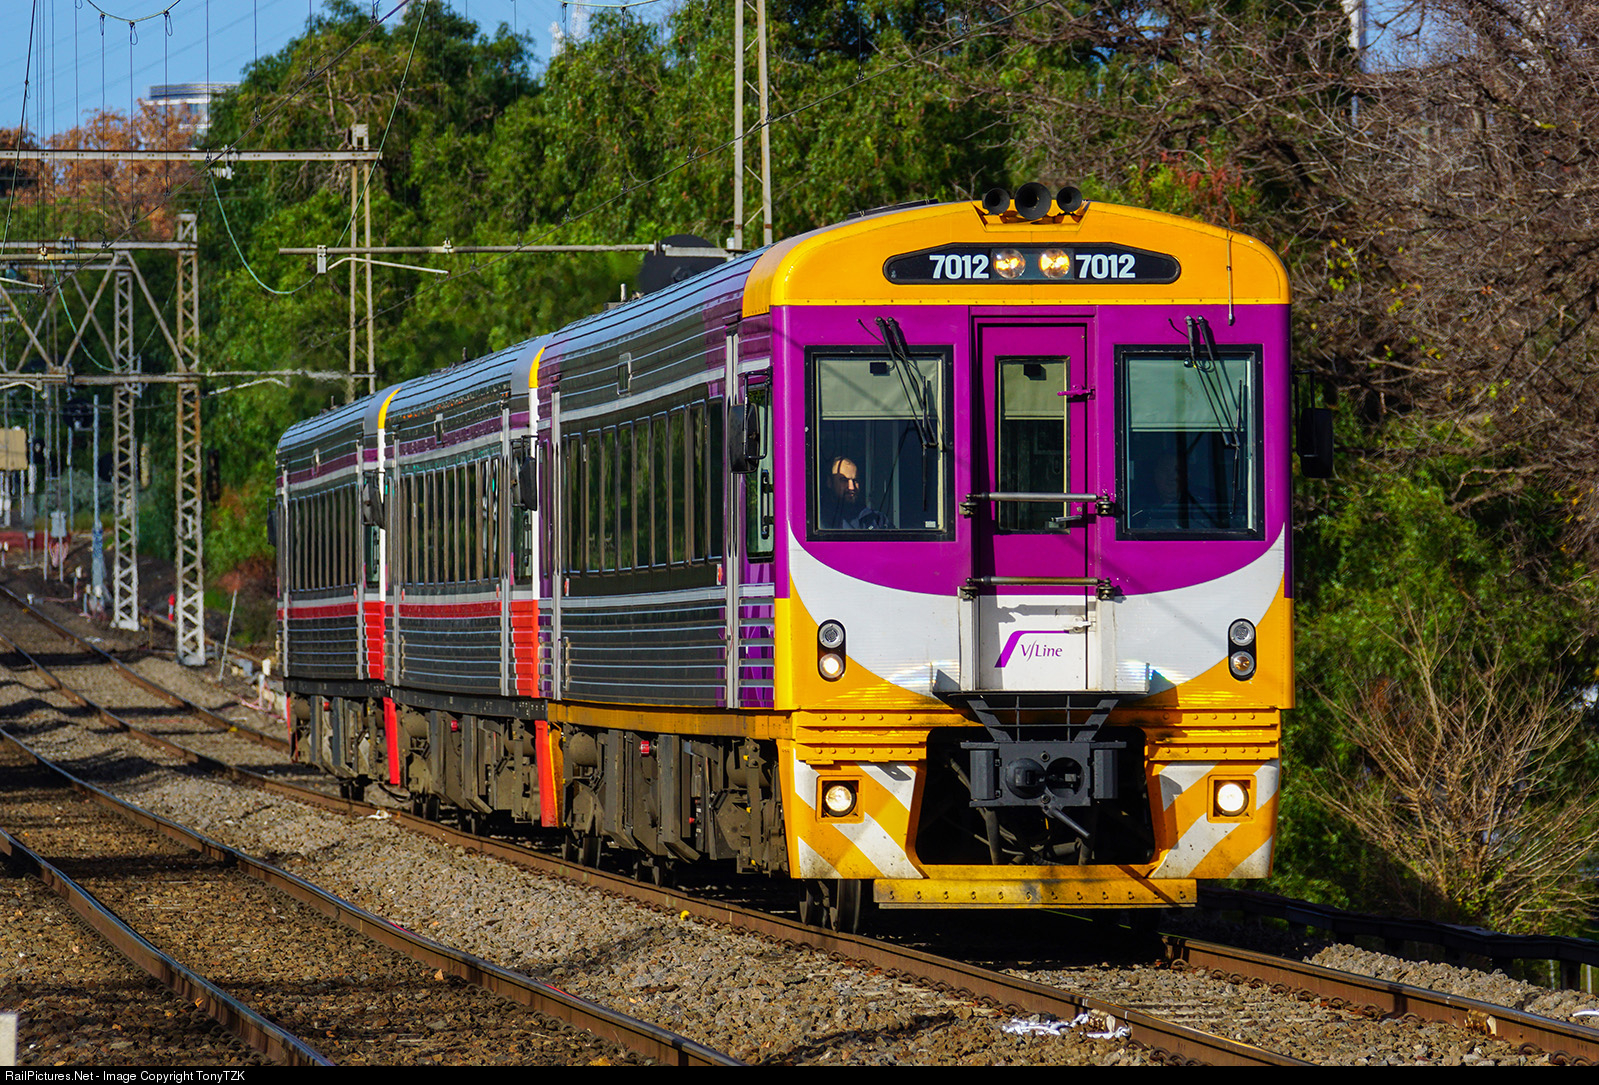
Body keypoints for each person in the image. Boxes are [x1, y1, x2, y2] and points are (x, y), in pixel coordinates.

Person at [819, 455, 888, 529]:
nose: (852, 487)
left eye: (855, 481)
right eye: (844, 480)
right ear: (829, 482)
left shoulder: (876, 519)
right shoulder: (818, 521)